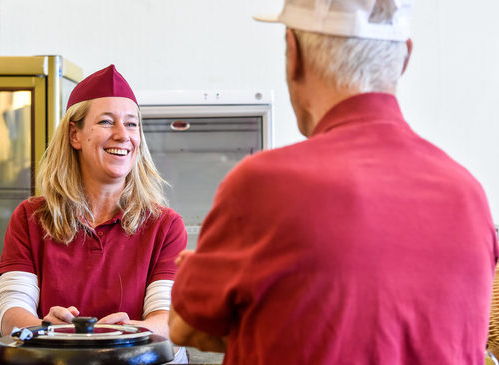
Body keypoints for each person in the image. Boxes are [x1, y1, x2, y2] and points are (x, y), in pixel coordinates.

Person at [168, 0, 499, 364]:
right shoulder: (468, 196)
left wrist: (202, 274)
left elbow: (184, 327)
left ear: (293, 55)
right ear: (405, 57)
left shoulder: (264, 184)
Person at [0, 65, 188, 362]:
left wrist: (121, 335)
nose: (123, 135)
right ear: (75, 134)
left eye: (132, 124)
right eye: (107, 122)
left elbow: (169, 322)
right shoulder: (30, 217)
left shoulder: (165, 226)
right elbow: (11, 314)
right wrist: (45, 329)